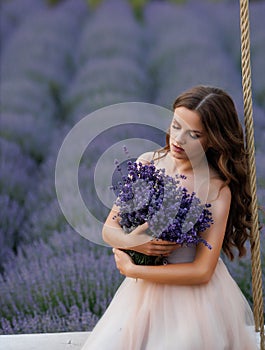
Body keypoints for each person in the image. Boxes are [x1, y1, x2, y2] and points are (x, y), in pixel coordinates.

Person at [81, 85, 258, 349]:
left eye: (194, 134)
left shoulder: (216, 189)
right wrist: (136, 243)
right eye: (176, 126)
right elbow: (109, 229)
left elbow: (202, 271)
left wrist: (133, 269)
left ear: (212, 138)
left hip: (195, 300)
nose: (178, 139)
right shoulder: (148, 163)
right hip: (141, 296)